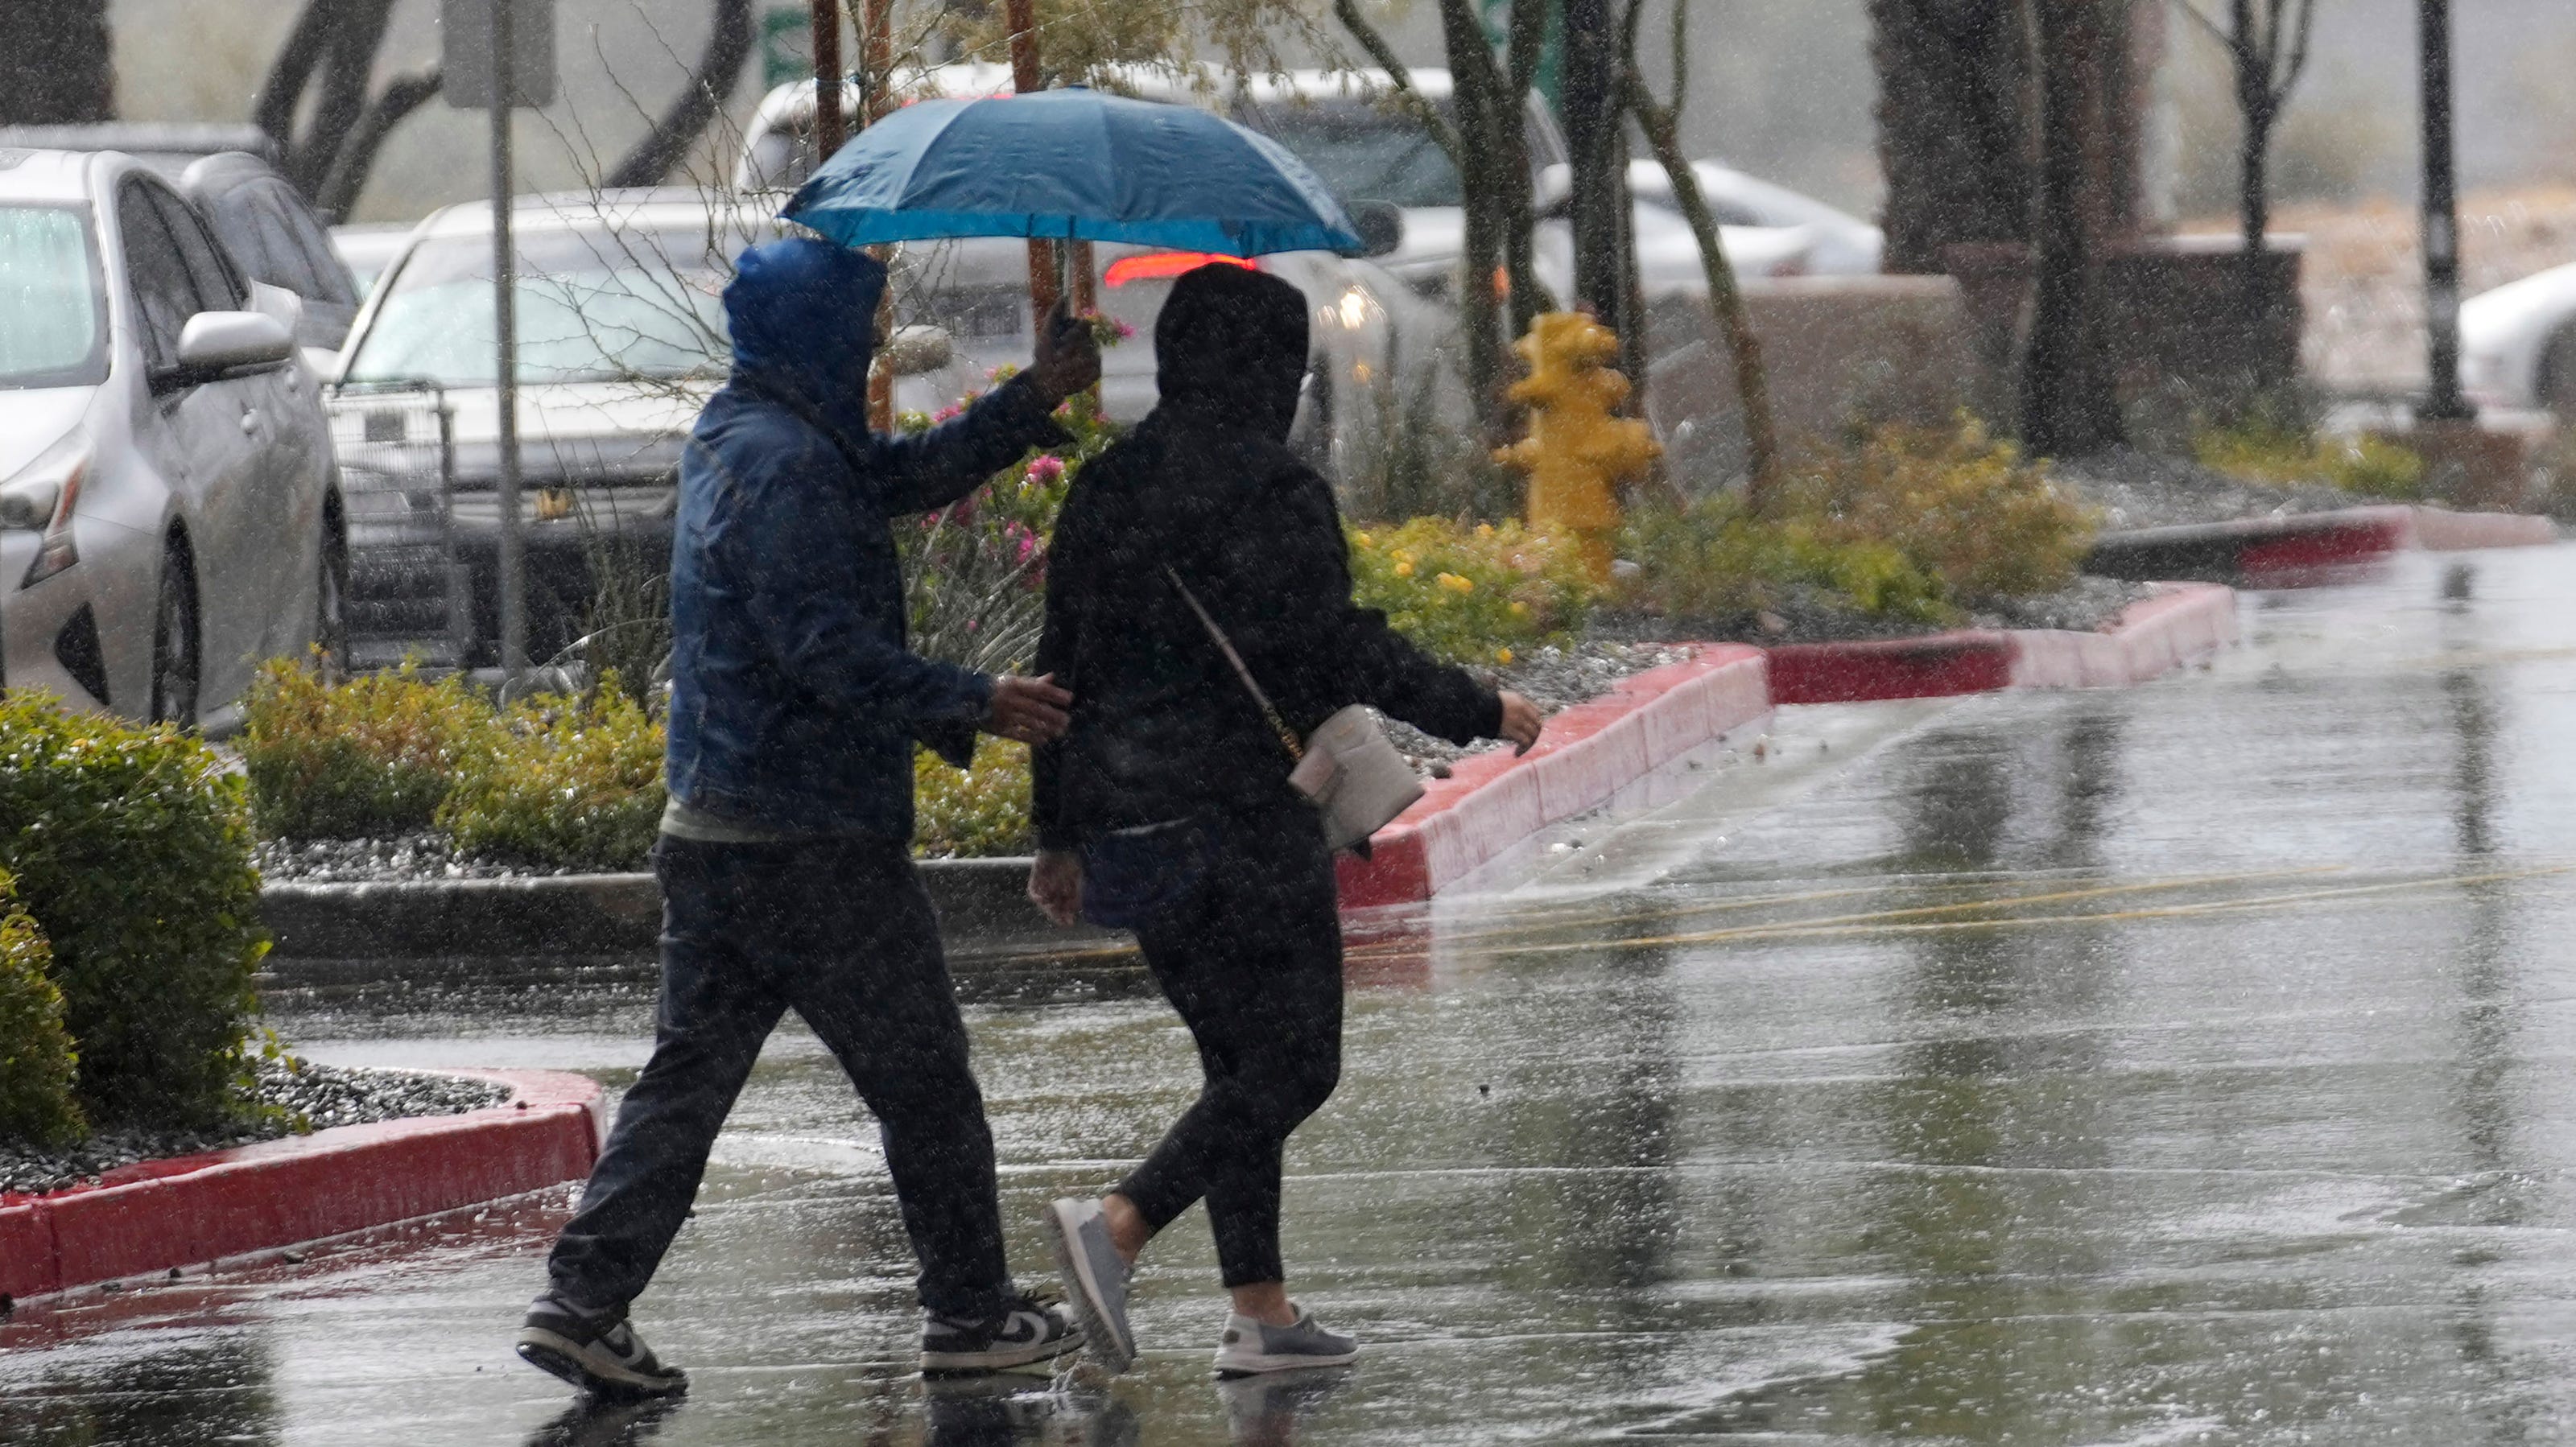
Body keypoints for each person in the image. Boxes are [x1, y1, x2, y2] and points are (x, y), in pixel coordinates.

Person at [514, 234, 1100, 1398]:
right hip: (811, 842)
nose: (873, 342)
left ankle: (583, 1301)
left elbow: (896, 479)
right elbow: (824, 651)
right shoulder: (787, 467)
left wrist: (1030, 398)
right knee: (926, 1080)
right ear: (818, 336)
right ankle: (971, 1314)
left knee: (686, 1084)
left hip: (720, 831)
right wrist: (975, 699)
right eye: (862, 324)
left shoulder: (752, 434)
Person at [1025, 262, 1544, 1377]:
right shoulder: (1275, 490)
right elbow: (1338, 653)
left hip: (1127, 824)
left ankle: (1260, 1309)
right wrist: (1480, 707)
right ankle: (1117, 1224)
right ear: (1269, 370)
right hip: (1242, 821)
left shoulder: (1105, 487)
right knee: (1298, 1062)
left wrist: (1055, 833)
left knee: (1237, 1066)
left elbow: (1056, 672)